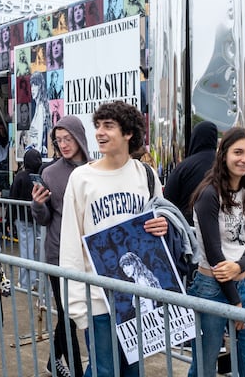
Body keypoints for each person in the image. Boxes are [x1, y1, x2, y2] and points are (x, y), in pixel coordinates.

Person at [59, 101, 168, 377]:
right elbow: (71, 243)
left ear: (128, 133)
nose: (100, 133)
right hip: (98, 298)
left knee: (134, 370)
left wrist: (162, 226)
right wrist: (75, 305)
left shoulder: (146, 174)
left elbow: (162, 224)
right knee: (103, 371)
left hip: (137, 299)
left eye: (109, 126)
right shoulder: (82, 178)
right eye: (98, 126)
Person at [187, 126, 245, 377]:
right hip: (212, 288)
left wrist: (240, 268)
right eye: (238, 152)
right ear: (223, 154)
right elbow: (215, 254)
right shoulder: (208, 195)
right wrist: (235, 302)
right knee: (205, 365)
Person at [31, 115, 90, 377]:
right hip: (58, 255)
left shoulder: (94, 169)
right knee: (69, 315)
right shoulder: (50, 173)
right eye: (59, 140)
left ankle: (54, 358)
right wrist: (38, 205)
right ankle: (76, 370)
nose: (64, 144)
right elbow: (45, 219)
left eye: (68, 138)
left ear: (79, 137)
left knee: (76, 314)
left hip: (90, 254)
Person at [164, 121, 218, 226]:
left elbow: (167, 201)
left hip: (188, 229)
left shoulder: (183, 167)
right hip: (219, 229)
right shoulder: (224, 165)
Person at [9, 148, 42, 289]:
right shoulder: (40, 177)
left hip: (22, 218)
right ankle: (40, 280)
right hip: (39, 217)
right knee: (41, 249)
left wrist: (9, 219)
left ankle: (26, 283)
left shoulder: (20, 176)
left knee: (26, 250)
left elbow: (12, 197)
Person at [28, 72, 52, 156]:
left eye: (35, 85)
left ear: (40, 87)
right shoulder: (38, 107)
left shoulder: (41, 108)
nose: (32, 89)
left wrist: (36, 152)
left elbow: (40, 135)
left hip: (37, 155)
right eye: (32, 85)